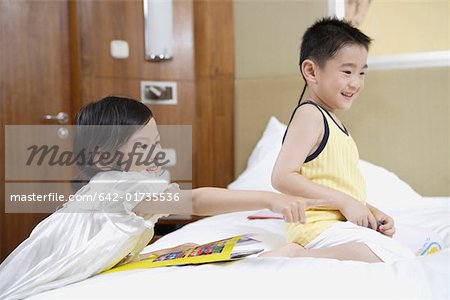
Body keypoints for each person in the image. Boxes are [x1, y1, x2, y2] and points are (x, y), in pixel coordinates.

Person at [0, 96, 310, 300]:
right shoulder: (123, 187)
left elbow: (110, 246)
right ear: (104, 156)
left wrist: (167, 252)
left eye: (156, 141)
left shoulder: (117, 185)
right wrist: (270, 199)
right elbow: (198, 201)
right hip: (39, 270)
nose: (156, 152)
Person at [263, 17, 421, 262]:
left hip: (336, 224)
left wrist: (369, 211)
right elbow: (282, 177)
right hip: (315, 227)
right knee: (390, 255)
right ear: (311, 71)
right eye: (347, 72)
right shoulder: (310, 115)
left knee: (411, 243)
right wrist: (345, 202)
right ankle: (299, 255)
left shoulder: (335, 124)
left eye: (361, 73)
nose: (355, 83)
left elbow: (339, 188)